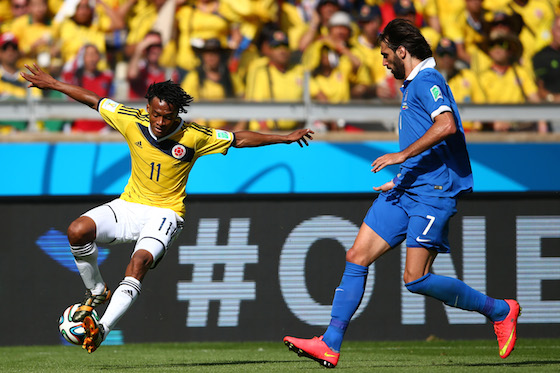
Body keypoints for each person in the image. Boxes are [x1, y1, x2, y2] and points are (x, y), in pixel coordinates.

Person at [21, 63, 314, 354]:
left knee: (139, 263)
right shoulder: (129, 118)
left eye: (168, 116)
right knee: (77, 230)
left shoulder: (194, 135)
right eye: (156, 114)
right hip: (129, 205)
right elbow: (93, 100)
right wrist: (55, 84)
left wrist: (284, 138)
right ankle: (97, 290)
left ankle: (102, 329)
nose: (160, 121)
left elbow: (238, 138)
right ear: (148, 107)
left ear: (177, 114)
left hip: (166, 213)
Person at [283, 19, 520, 369]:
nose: (383, 61)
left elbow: (447, 125)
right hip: (408, 188)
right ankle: (330, 343)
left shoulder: (428, 81)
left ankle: (500, 310)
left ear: (402, 51)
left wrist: (401, 157)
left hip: (433, 194)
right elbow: (429, 137)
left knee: (416, 279)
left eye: (385, 54)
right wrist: (401, 176)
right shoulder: (413, 84)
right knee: (356, 255)